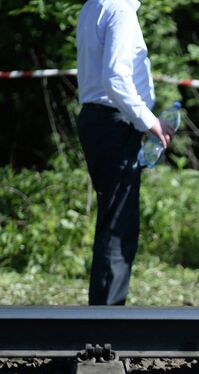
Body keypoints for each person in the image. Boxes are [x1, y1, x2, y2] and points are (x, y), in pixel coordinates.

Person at [76, 0, 174, 305]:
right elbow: (116, 77)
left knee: (112, 218)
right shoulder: (119, 10)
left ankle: (103, 312)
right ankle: (106, 320)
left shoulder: (94, 5)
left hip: (101, 120)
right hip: (114, 123)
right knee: (119, 223)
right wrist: (148, 121)